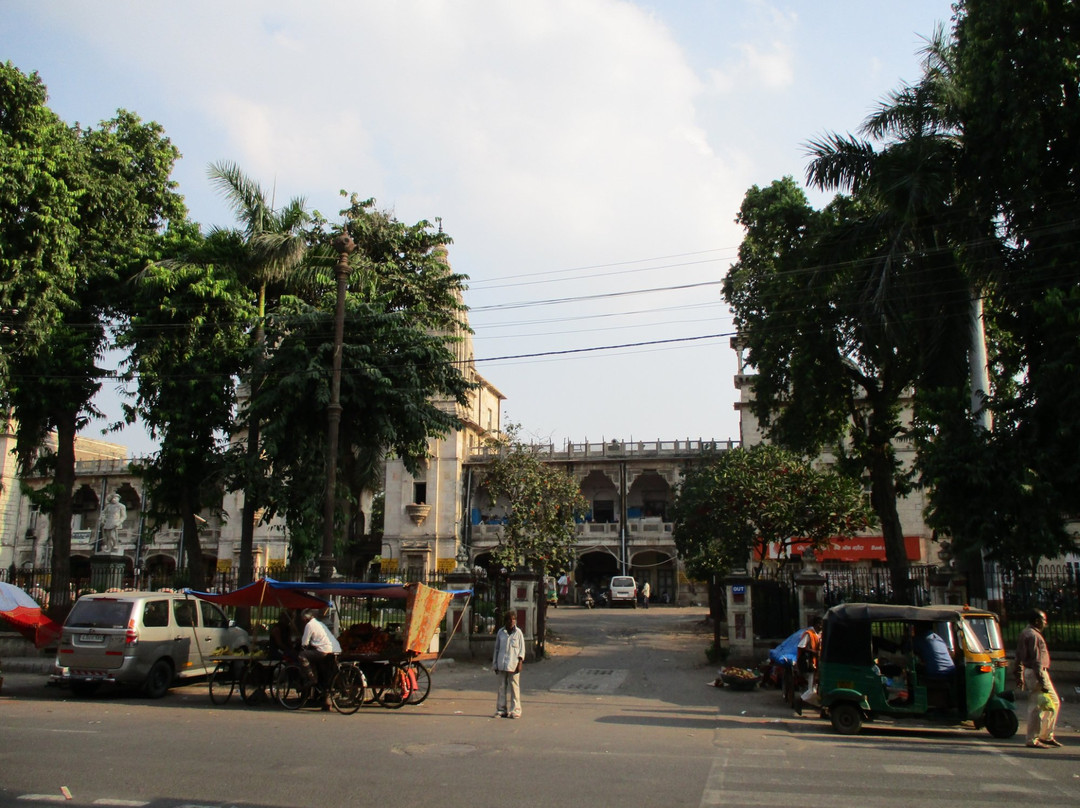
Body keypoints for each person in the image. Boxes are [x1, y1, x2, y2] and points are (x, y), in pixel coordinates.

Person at [1013, 609, 1062, 748]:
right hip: (1037, 674)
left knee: (1053, 703)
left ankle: (1045, 735)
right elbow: (1037, 661)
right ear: (1036, 621)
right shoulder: (1034, 636)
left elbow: (1018, 656)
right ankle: (1033, 738)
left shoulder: (1025, 633)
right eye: (1043, 620)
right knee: (1037, 707)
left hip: (1033, 672)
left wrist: (1018, 674)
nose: (1045, 623)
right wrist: (1042, 681)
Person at [298, 608, 341, 708]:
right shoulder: (319, 623)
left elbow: (304, 643)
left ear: (305, 619)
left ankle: (312, 678)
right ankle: (325, 700)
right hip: (335, 650)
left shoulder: (309, 625)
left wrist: (303, 646)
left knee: (302, 655)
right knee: (325, 674)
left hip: (323, 651)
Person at [492, 609, 525, 719]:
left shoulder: (518, 633)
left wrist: (520, 662)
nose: (512, 622)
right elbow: (496, 649)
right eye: (510, 620)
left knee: (514, 688)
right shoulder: (501, 633)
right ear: (505, 621)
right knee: (501, 687)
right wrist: (495, 664)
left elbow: (522, 650)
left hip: (514, 664)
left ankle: (516, 710)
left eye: (514, 619)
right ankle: (501, 709)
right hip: (502, 664)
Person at [794, 616, 823, 714]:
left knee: (816, 688)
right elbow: (801, 647)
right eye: (820, 624)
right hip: (810, 663)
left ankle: (821, 708)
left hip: (817, 663)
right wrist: (814, 652)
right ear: (815, 624)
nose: (821, 626)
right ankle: (800, 700)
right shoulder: (809, 634)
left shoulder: (819, 635)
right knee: (812, 689)